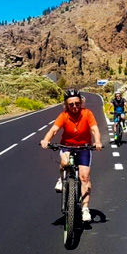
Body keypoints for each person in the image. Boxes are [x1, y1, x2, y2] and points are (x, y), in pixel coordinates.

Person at [40, 89, 102, 222]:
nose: (74, 107)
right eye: (71, 104)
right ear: (66, 105)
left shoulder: (87, 113)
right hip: (67, 145)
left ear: (81, 102)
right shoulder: (64, 115)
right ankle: (61, 180)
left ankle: (85, 209)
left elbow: (94, 129)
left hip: (84, 147)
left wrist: (97, 142)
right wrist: (46, 140)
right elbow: (54, 129)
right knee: (65, 162)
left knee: (85, 177)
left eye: (77, 103)